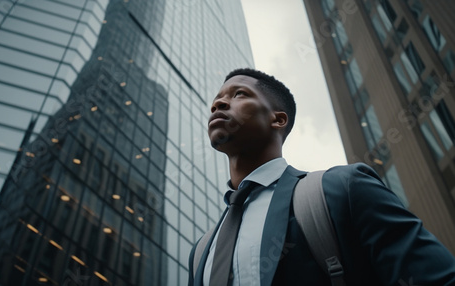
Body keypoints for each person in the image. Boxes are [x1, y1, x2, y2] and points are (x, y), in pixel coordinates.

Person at [188, 68, 455, 286]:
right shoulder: (200, 251)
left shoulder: (343, 189)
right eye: (217, 99)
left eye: (239, 94)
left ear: (278, 120)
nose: (218, 104)